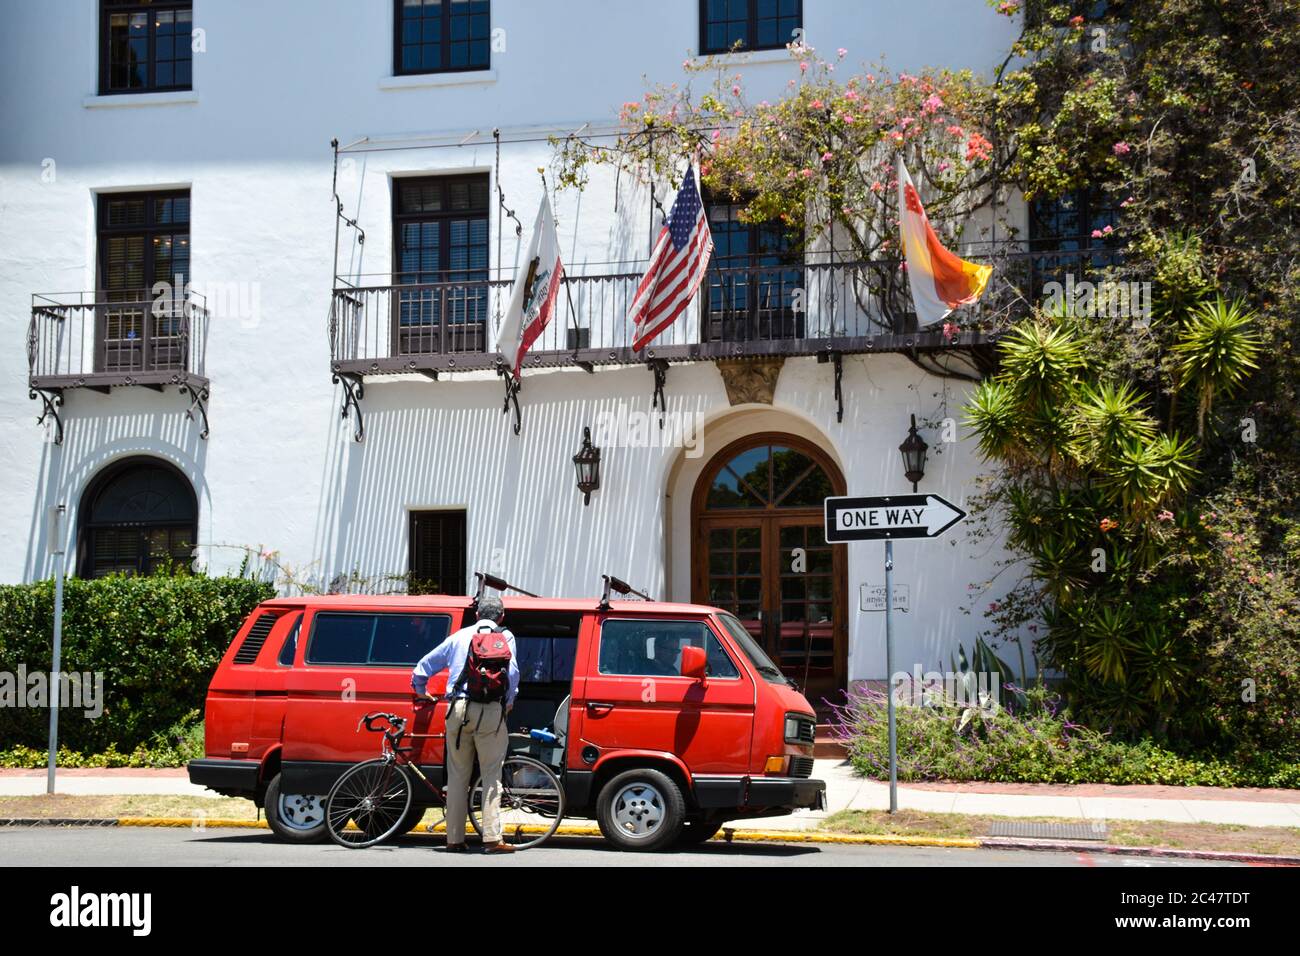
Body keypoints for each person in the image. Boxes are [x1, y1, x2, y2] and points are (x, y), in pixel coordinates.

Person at [411, 596, 520, 854]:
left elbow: (424, 666)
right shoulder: (505, 636)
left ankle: (454, 840)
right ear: (501, 616)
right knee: (491, 775)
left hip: (457, 710)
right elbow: (513, 672)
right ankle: (492, 840)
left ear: (477, 614)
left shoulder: (459, 636)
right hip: (490, 711)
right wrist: (509, 701)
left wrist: (420, 690)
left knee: (458, 775)